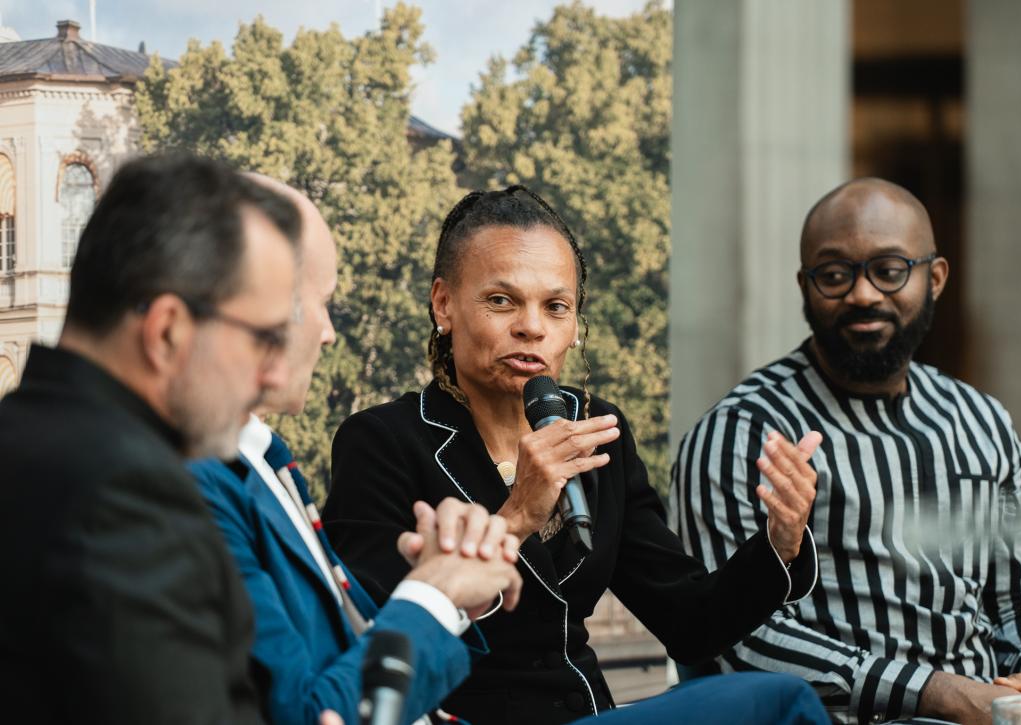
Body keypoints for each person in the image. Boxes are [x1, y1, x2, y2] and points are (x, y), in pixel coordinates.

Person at [322, 186, 828, 725]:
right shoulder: (380, 441)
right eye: (501, 301)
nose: (532, 327)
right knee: (781, 706)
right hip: (463, 716)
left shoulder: (595, 432)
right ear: (443, 304)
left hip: (588, 713)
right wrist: (517, 515)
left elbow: (690, 620)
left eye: (556, 307)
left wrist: (781, 542)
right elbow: (376, 639)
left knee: (774, 702)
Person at [669, 177, 1021, 725]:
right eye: (836, 275)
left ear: (934, 278)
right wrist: (938, 694)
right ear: (805, 285)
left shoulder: (983, 422)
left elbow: (1019, 600)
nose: (863, 294)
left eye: (889, 271)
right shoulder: (741, 434)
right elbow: (733, 637)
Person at [189, 178, 525, 725]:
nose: (327, 333)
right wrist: (437, 593)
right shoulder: (200, 479)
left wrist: (453, 580)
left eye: (558, 306)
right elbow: (313, 712)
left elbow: (356, 639)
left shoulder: (264, 459)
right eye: (320, 303)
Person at [0, 153, 302, 722]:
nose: (276, 375)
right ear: (167, 330)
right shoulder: (128, 499)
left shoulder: (24, 440)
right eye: (265, 339)